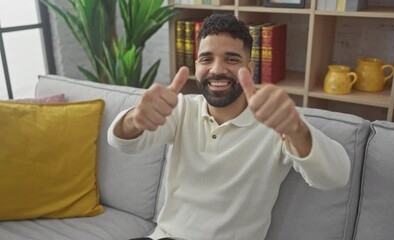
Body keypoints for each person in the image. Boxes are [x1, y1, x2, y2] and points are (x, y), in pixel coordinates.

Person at [108, 13, 350, 240]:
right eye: (206, 59)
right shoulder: (181, 109)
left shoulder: (278, 121)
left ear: (250, 68)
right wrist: (135, 118)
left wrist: (297, 130)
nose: (216, 70)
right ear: (196, 66)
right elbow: (121, 142)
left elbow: (336, 177)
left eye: (231, 59)